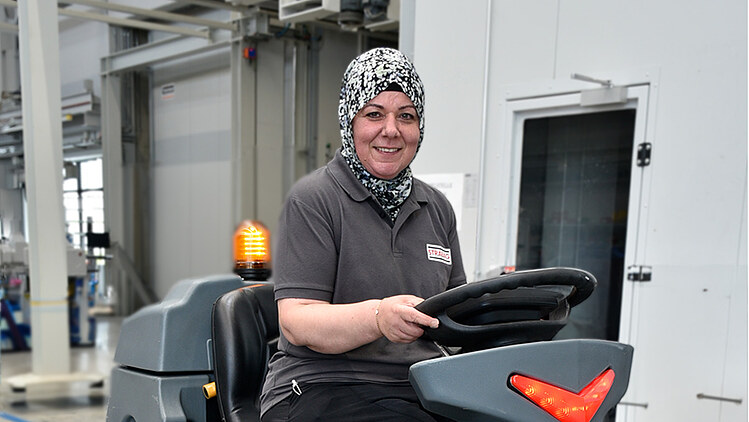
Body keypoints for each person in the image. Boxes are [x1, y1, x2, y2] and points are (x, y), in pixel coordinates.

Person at [260, 47, 466, 422]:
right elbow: (297, 320)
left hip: (423, 386)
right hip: (323, 384)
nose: (391, 130)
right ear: (349, 122)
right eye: (374, 114)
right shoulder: (314, 199)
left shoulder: (437, 208)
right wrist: (378, 318)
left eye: (406, 116)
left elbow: (455, 316)